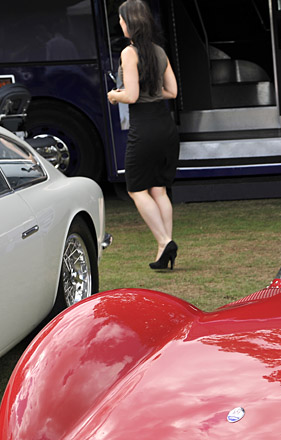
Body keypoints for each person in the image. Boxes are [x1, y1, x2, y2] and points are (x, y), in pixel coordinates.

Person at [106, 0, 180, 270]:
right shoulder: (159, 51)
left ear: (132, 22)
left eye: (122, 20)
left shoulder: (129, 52)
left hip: (145, 127)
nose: (120, 24)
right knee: (159, 188)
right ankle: (164, 249)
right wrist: (151, 93)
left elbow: (132, 95)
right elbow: (172, 91)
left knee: (136, 188)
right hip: (165, 125)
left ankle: (164, 240)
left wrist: (114, 95)